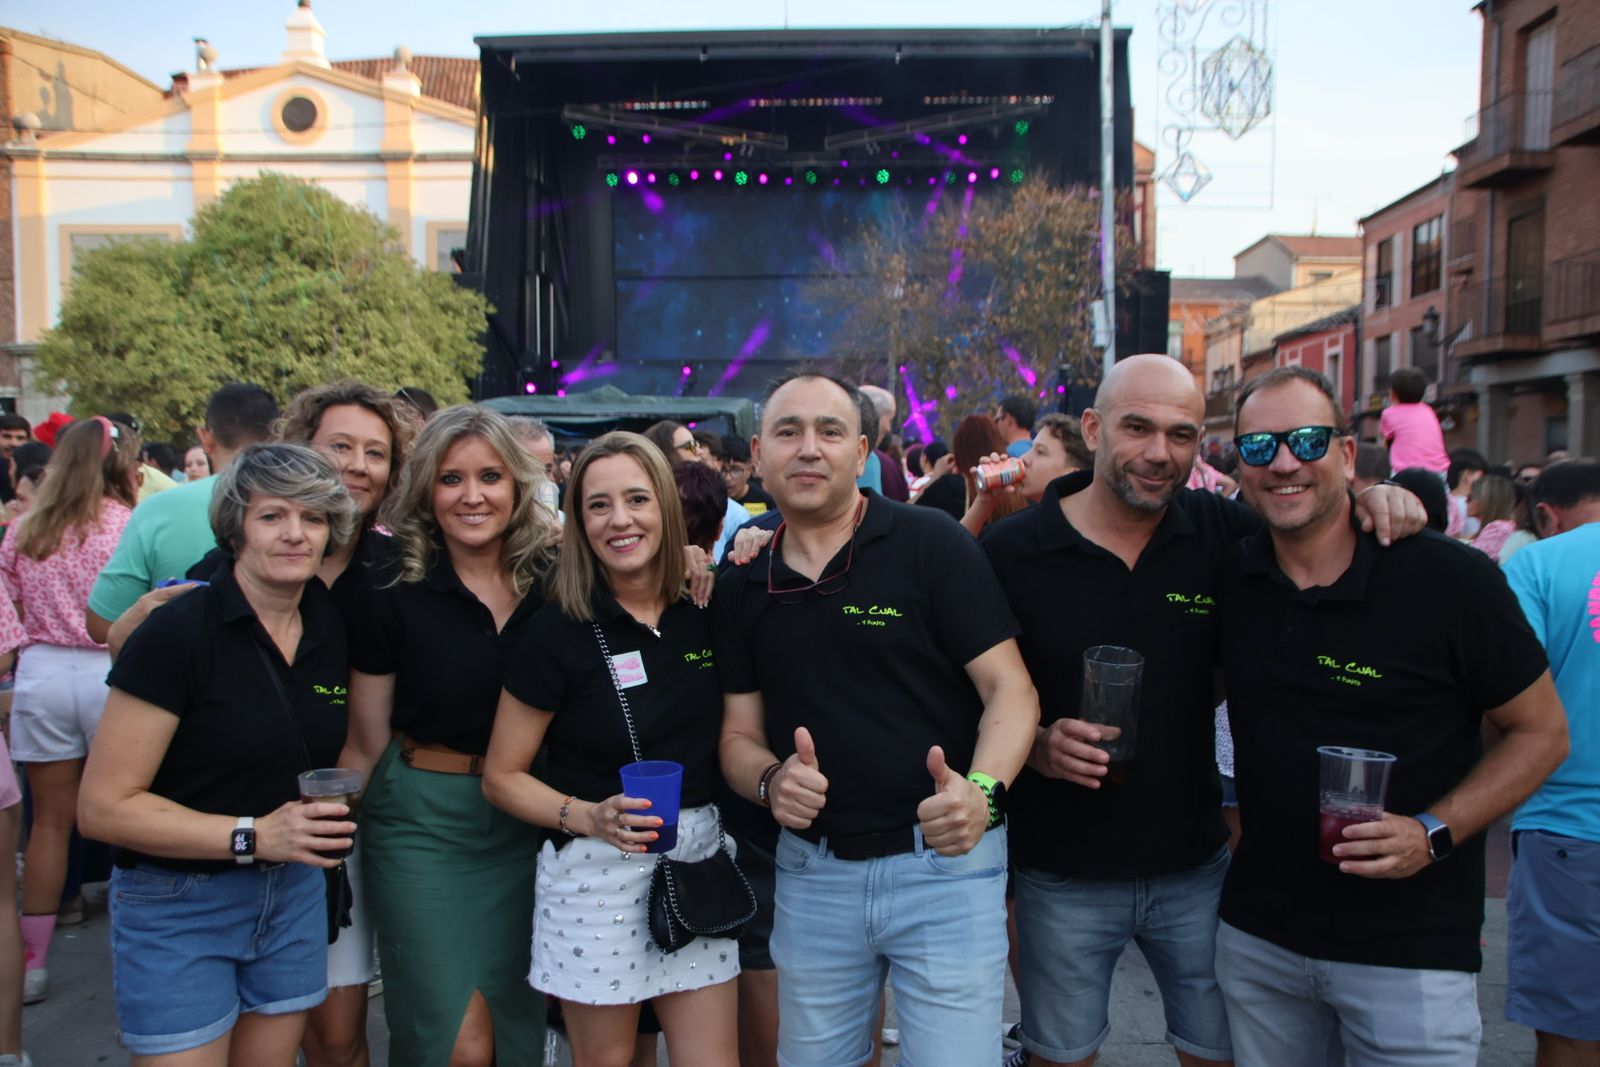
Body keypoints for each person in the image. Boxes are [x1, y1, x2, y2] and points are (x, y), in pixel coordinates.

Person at [980, 354, 1425, 1067]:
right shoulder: (1011, 549)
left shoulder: (1225, 535)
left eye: (1182, 434)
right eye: (1138, 428)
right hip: (1058, 870)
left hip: (1197, 867)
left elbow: (1313, 527)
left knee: (1222, 1055)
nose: (1160, 453)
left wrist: (1376, 498)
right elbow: (971, 689)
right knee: (1058, 1056)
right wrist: (1033, 744)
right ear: (1093, 428)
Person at [1212, 366, 1569, 1067]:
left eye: (1308, 440)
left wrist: (1432, 833)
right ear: (1238, 467)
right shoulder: (1231, 576)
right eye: (1259, 447)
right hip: (1261, 942)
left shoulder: (1448, 579)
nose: (1284, 462)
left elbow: (1543, 732)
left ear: (1349, 453)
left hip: (1410, 952)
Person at [715, 369, 1038, 1067]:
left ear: (862, 453)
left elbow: (1011, 691)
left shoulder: (931, 545)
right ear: (759, 456)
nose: (809, 448)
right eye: (788, 431)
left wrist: (980, 794)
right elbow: (736, 736)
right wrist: (771, 780)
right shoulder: (743, 578)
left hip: (946, 869)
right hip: (814, 873)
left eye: (829, 431)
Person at [77, 443, 360, 1065]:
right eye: (273, 516)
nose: (296, 534)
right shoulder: (177, 631)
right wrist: (253, 835)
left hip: (291, 895)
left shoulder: (327, 626)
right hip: (179, 900)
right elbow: (102, 808)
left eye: (313, 518)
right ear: (236, 527)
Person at [484, 431, 739, 1067]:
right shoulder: (557, 629)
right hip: (594, 880)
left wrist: (745, 544)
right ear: (578, 520)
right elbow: (502, 776)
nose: (619, 519)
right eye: (598, 505)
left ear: (667, 510)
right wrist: (588, 815)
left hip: (696, 862)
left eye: (637, 499)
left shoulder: (703, 605)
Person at [339, 406, 557, 1067]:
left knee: (516, 1030)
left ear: (518, 484)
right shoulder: (389, 583)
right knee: (455, 1038)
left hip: (529, 823)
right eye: (450, 478)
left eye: (489, 476)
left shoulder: (553, 577)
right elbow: (365, 736)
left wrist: (704, 555)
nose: (471, 495)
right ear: (425, 491)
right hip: (421, 827)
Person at [276, 382, 413, 1067]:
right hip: (239, 827)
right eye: (340, 446)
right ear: (300, 449)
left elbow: (368, 734)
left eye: (376, 452)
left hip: (346, 821)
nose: (358, 464)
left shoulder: (396, 571)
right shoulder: (242, 561)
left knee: (336, 1034)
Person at [0, 417, 140, 1005]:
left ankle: (32, 961)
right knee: (133, 814)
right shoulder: (128, 524)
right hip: (111, 672)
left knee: (50, 823)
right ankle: (140, 961)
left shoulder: (26, 528)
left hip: (43, 673)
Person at [1501, 459, 1600, 1067]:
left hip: (1568, 827)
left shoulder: (1537, 564)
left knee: (1570, 1033)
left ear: (1545, 514)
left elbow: (1503, 698)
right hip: (1567, 828)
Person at [86, 383, 279, 642]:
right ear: (279, 437)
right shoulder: (310, 512)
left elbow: (103, 623)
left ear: (206, 438)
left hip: (182, 670)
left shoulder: (157, 509)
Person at [961, 413, 1091, 535]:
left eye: (1040, 452)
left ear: (1071, 474)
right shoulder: (1013, 529)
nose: (1023, 458)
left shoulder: (1086, 538)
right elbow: (952, 555)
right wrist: (984, 503)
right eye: (1031, 449)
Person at [1379, 367, 1449, 478]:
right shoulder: (1429, 411)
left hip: (1405, 472)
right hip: (1439, 471)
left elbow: (1386, 442)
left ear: (1393, 393)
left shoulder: (1389, 413)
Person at [860, 385, 909, 502]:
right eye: (889, 419)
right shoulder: (869, 458)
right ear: (873, 417)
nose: (889, 429)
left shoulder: (873, 458)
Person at [1467, 472, 1520, 561]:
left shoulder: (1498, 529)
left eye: (1470, 497)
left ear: (1485, 501)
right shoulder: (1503, 526)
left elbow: (1473, 562)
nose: (1465, 500)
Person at [721, 437, 775, 516]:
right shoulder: (712, 502)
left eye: (736, 470)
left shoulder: (765, 501)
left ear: (749, 469)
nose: (728, 478)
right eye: (723, 471)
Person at [1445, 447, 1489, 538]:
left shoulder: (1443, 499)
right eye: (1481, 475)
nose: (1485, 481)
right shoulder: (1472, 505)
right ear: (1468, 475)